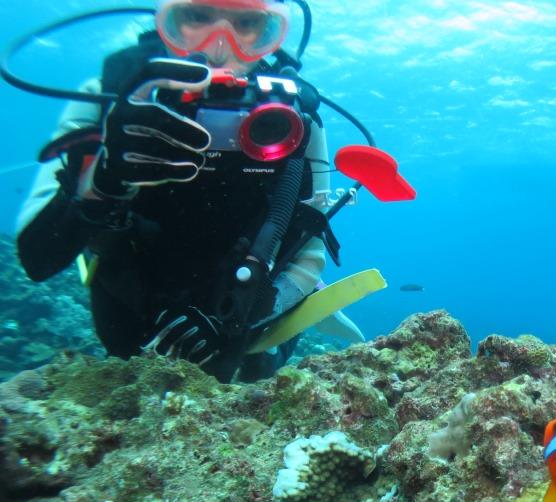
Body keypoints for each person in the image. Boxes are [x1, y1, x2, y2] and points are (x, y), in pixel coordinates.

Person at [14, 0, 365, 382]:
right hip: (131, 314)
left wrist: (256, 309)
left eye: (247, 24)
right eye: (196, 17)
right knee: (126, 356)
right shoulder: (107, 98)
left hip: (251, 318)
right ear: (167, 22)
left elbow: (309, 244)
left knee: (258, 370)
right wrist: (102, 182)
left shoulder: (296, 121)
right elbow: (38, 258)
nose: (219, 46)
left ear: (271, 36)